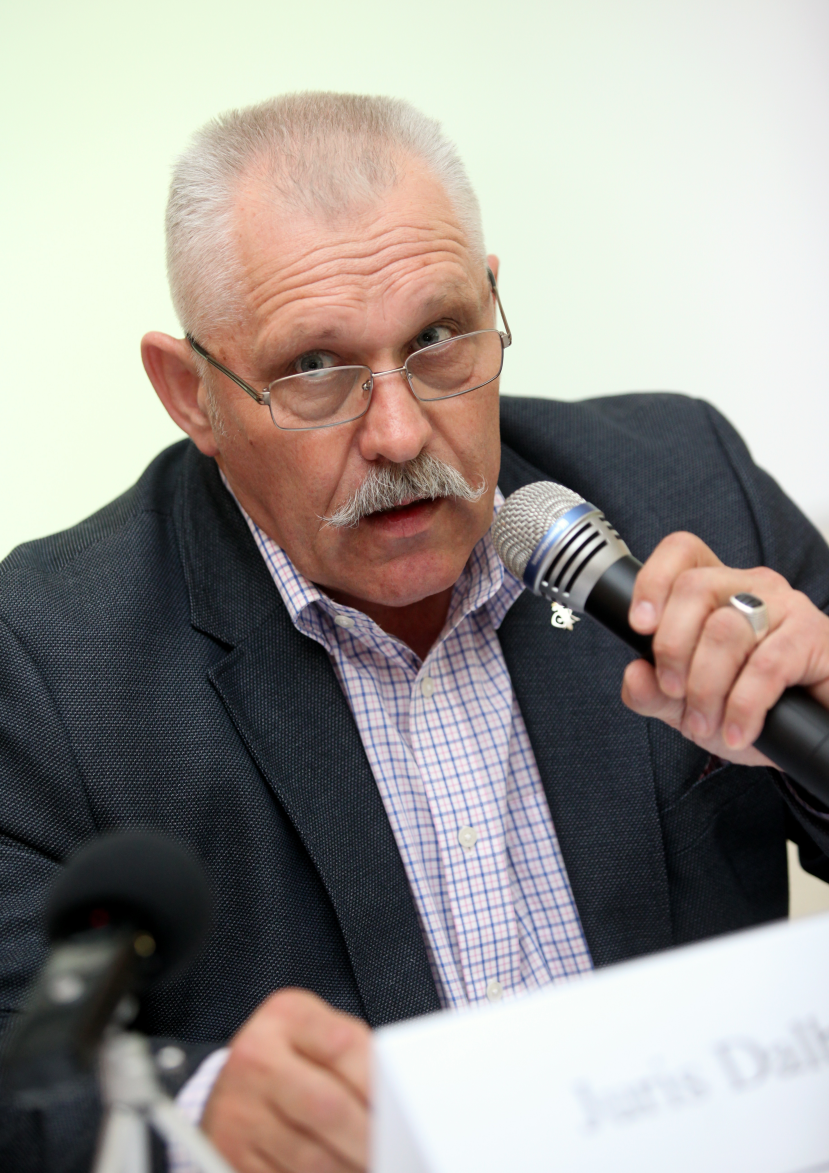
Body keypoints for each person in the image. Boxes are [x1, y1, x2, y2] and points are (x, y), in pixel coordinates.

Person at [2, 91, 829, 1173]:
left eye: (438, 339)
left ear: (491, 300)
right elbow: (22, 1066)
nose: (399, 433)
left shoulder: (686, 487)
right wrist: (193, 1107)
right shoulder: (49, 659)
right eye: (314, 367)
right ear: (192, 392)